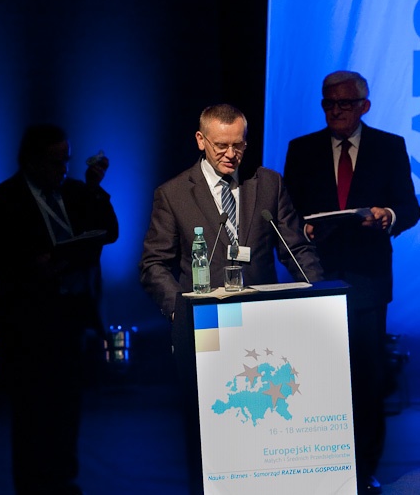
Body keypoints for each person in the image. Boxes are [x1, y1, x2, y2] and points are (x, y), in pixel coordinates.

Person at [283, 70, 420, 495]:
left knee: (365, 376)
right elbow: (287, 211)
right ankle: (319, 463)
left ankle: (364, 469)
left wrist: (387, 216)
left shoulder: (389, 146)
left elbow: (409, 207)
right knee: (315, 375)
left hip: (367, 279)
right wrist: (302, 229)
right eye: (329, 103)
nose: (336, 111)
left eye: (344, 103)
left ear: (365, 106)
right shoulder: (302, 149)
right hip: (316, 275)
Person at [0, 123, 119, 495]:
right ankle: (32, 487)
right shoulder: (0, 200)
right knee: (31, 414)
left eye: (67, 161)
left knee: (67, 409)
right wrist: (29, 266)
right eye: (56, 162)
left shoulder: (75, 191)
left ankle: (64, 482)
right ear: (32, 161)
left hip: (71, 320)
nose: (63, 170)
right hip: (27, 324)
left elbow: (110, 231)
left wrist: (94, 187)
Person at [139, 103, 324, 319]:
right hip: (205, 318)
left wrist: (322, 294)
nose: (230, 154)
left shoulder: (268, 184)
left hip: (262, 313)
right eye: (221, 145)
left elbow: (296, 249)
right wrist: (180, 310)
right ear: (201, 140)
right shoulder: (174, 194)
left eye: (238, 145)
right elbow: (154, 264)